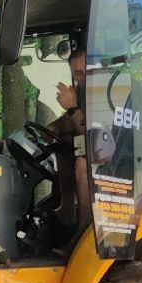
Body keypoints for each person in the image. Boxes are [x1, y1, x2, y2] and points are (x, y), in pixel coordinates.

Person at [49, 42, 90, 231]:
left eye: (84, 72)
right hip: (96, 145)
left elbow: (89, 133)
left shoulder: (104, 90)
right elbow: (73, 121)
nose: (81, 78)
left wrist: (72, 107)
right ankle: (67, 210)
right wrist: (55, 127)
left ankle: (86, 229)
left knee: (82, 163)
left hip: (114, 152)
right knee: (64, 145)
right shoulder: (81, 88)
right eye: (77, 74)